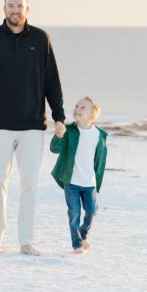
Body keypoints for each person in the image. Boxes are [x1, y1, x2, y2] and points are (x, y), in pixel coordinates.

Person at [0, 0, 67, 256]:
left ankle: (26, 240)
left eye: (19, 6)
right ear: (4, 8)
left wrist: (59, 116)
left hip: (33, 124)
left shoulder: (41, 38)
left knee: (29, 183)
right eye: (11, 6)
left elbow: (51, 81)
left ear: (27, 9)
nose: (15, 10)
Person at [50, 96, 108, 254]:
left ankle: (83, 234)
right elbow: (55, 149)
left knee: (91, 211)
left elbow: (100, 161)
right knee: (74, 212)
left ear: (92, 115)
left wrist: (98, 182)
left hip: (90, 182)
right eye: (77, 106)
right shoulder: (69, 130)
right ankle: (76, 243)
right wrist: (59, 135)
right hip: (72, 182)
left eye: (83, 107)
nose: (77, 109)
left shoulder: (99, 135)